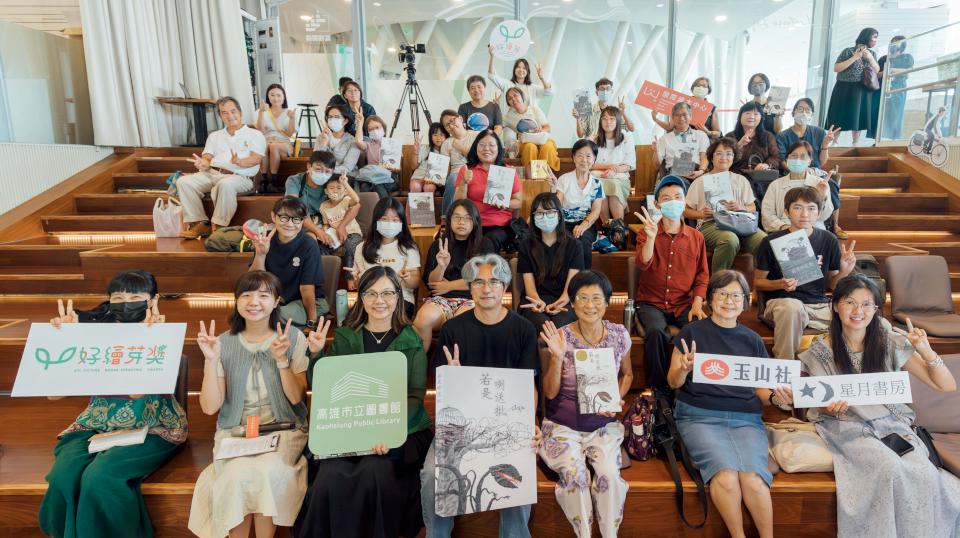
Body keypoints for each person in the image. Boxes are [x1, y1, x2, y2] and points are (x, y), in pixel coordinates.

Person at [790, 274, 960, 537]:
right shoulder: (818, 352)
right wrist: (828, 408)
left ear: (876, 308)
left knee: (924, 473)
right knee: (889, 468)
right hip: (847, 427)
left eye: (867, 304)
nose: (858, 311)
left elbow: (946, 385)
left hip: (893, 426)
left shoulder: (889, 343)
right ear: (836, 306)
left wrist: (926, 350)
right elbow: (811, 404)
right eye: (850, 302)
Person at [38, 270, 187, 538]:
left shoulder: (165, 336)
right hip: (97, 423)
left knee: (100, 478)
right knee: (63, 476)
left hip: (152, 426)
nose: (126, 303)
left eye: (135, 297)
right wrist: (65, 341)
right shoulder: (95, 338)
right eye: (118, 297)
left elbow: (137, 394)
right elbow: (54, 395)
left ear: (153, 300)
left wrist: (148, 337)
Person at [296, 266, 432, 538]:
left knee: (374, 472)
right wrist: (316, 354)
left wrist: (387, 432)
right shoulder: (346, 336)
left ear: (398, 296)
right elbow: (325, 388)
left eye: (387, 293)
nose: (379, 300)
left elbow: (415, 398)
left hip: (398, 435)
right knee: (330, 477)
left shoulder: (411, 340)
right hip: (349, 430)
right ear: (361, 297)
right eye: (371, 293)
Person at [421, 253, 540, 538]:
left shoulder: (524, 329)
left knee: (518, 470)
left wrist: (529, 424)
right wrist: (453, 378)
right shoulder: (452, 329)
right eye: (478, 282)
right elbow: (443, 391)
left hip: (507, 425)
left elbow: (529, 386)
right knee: (431, 475)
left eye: (494, 282)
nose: (487, 289)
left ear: (505, 287)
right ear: (470, 287)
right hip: (460, 425)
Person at [189, 271, 310, 538]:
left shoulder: (293, 338)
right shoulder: (222, 343)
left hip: (284, 430)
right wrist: (211, 360)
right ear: (236, 300)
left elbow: (295, 398)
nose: (254, 302)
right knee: (236, 475)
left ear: (277, 301)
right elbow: (209, 407)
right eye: (246, 295)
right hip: (236, 433)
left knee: (266, 470)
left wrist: (282, 361)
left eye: (264, 295)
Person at [667, 270, 777, 538]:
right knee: (726, 476)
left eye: (736, 295)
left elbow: (762, 390)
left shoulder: (753, 340)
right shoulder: (691, 333)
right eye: (722, 294)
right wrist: (683, 368)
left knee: (753, 478)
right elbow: (673, 382)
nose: (729, 301)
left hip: (745, 419)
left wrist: (776, 397)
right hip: (698, 417)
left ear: (746, 301)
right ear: (709, 298)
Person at [538, 270, 632, 538]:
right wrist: (556, 357)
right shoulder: (561, 337)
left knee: (608, 476)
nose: (590, 305)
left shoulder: (619, 335)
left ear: (607, 302)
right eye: (582, 298)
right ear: (572, 302)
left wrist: (617, 399)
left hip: (602, 426)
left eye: (596, 298)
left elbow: (627, 375)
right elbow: (550, 393)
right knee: (575, 476)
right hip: (563, 426)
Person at [755, 185, 857, 359]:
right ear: (786, 211)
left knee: (861, 314)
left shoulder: (828, 239)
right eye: (797, 208)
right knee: (792, 307)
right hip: (782, 303)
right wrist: (780, 283)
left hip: (818, 305)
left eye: (811, 208)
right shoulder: (771, 241)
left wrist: (844, 271)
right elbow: (758, 282)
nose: (805, 214)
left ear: (818, 213)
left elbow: (832, 284)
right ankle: (785, 366)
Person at [633, 175, 708, 390]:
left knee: (698, 331)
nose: (673, 201)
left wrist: (697, 304)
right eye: (666, 198)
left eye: (677, 197)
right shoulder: (646, 232)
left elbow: (702, 275)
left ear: (684, 202)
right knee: (655, 332)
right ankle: (659, 390)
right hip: (651, 302)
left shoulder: (696, 237)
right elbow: (643, 263)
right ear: (657, 204)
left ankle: (689, 387)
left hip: (683, 303)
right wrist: (651, 238)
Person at [178, 96, 266, 239]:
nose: (230, 116)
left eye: (233, 111)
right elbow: (207, 155)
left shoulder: (255, 134)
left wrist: (240, 162)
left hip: (240, 177)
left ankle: (219, 226)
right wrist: (204, 162)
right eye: (225, 113)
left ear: (240, 112)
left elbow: (257, 159)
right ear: (220, 116)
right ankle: (199, 223)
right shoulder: (214, 136)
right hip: (212, 173)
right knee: (184, 182)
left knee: (225, 184)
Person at [413, 199, 494, 351]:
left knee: (460, 324)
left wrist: (449, 286)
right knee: (421, 320)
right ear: (449, 220)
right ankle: (419, 364)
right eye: (457, 217)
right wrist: (441, 266)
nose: (461, 222)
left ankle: (455, 364)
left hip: (472, 299)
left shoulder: (485, 244)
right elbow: (431, 283)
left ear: (475, 221)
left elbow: (484, 280)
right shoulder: (439, 244)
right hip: (441, 300)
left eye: (467, 218)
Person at [684, 137, 767, 273]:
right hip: (710, 224)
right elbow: (685, 211)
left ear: (734, 157)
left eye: (729, 154)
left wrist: (740, 207)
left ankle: (759, 282)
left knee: (763, 240)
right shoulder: (700, 181)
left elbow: (752, 207)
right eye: (719, 153)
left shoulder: (741, 179)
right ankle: (718, 281)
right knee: (730, 239)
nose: (724, 157)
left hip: (740, 222)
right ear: (711, 157)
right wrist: (701, 214)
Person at [249, 196, 329, 328]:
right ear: (273, 216)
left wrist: (312, 322)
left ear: (303, 221)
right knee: (247, 311)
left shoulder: (308, 244)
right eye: (284, 217)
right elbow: (254, 280)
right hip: (275, 301)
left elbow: (307, 289)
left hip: (306, 302)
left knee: (269, 317)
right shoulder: (265, 240)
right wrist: (260, 254)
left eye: (296, 219)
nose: (290, 224)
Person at [518, 192, 583, 334]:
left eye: (550, 212)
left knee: (559, 328)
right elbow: (529, 287)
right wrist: (538, 302)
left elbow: (571, 287)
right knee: (542, 327)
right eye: (539, 213)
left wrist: (560, 302)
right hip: (534, 300)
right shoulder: (525, 246)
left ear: (559, 215)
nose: (545, 217)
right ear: (533, 217)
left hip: (565, 300)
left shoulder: (574, 246)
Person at [351, 197, 421, 319]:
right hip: (370, 299)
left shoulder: (409, 248)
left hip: (400, 298)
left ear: (402, 223)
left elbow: (415, 284)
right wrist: (357, 279)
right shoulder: (362, 247)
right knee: (350, 323)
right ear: (376, 221)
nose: (390, 223)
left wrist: (408, 278)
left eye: (395, 220)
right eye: (384, 219)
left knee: (385, 320)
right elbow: (358, 285)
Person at [453, 129, 522, 252]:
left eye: (491, 145)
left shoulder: (508, 171)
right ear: (476, 147)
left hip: (500, 225)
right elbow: (458, 202)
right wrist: (464, 182)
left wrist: (505, 203)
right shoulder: (467, 170)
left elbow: (518, 202)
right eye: (482, 145)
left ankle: (487, 265)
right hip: (472, 223)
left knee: (487, 241)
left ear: (498, 148)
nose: (486, 148)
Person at [550, 138, 604, 269]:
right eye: (579, 155)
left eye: (588, 156)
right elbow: (557, 205)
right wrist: (553, 189)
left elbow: (596, 211)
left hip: (587, 224)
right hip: (564, 223)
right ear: (573, 158)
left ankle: (584, 278)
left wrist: (583, 226)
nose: (584, 159)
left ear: (594, 159)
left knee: (583, 242)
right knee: (567, 242)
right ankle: (566, 278)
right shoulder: (564, 179)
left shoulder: (597, 183)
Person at [762, 141, 834, 233]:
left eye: (803, 157)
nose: (798, 160)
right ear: (787, 159)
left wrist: (822, 197)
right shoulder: (775, 185)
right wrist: (786, 228)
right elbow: (767, 215)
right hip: (783, 231)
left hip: (813, 230)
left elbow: (824, 216)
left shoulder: (820, 183)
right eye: (794, 156)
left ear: (810, 161)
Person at [826, 28, 880, 146]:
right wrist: (855, 57)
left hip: (862, 88)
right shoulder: (848, 51)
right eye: (874, 37)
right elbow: (836, 68)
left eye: (876, 37)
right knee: (838, 115)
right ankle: (834, 142)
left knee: (858, 116)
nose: (875, 40)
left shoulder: (872, 54)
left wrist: (870, 58)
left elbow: (876, 70)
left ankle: (855, 143)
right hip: (843, 87)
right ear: (866, 37)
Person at [592, 106, 636, 225]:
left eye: (612, 119)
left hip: (620, 177)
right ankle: (606, 225)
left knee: (613, 184)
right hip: (599, 176)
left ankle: (618, 227)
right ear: (600, 121)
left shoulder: (626, 138)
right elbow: (590, 164)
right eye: (604, 119)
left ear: (618, 121)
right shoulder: (594, 139)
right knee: (599, 185)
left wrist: (615, 170)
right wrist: (609, 166)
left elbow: (629, 165)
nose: (608, 122)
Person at [503, 87, 560, 172]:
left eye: (515, 95)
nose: (513, 99)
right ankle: (532, 175)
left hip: (541, 139)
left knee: (547, 147)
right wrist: (495, 108)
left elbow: (547, 127)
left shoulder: (534, 109)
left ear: (522, 96)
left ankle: (545, 175)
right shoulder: (508, 117)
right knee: (530, 147)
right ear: (509, 103)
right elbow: (498, 125)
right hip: (525, 142)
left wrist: (541, 130)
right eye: (510, 98)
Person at [316, 174, 363, 270]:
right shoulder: (323, 206)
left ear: (345, 191)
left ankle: (350, 275)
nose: (335, 191)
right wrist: (325, 233)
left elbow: (356, 200)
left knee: (349, 248)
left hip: (352, 233)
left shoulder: (346, 200)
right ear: (326, 191)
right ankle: (326, 272)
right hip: (335, 236)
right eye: (331, 188)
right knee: (320, 247)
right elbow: (326, 223)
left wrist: (345, 183)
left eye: (339, 188)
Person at [256, 83, 297, 193]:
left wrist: (292, 118)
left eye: (279, 95)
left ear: (283, 97)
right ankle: (264, 181)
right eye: (272, 95)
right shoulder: (262, 111)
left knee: (273, 146)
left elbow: (290, 134)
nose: (275, 98)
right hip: (266, 142)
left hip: (284, 144)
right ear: (268, 97)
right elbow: (261, 131)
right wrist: (261, 112)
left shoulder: (289, 112)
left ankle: (273, 182)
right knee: (264, 146)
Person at [650, 77, 722, 139]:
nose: (700, 88)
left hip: (704, 143)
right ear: (693, 88)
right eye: (698, 85)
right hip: (682, 142)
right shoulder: (682, 105)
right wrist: (655, 119)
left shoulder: (711, 109)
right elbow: (669, 126)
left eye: (704, 86)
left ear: (708, 90)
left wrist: (708, 132)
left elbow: (718, 133)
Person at [653, 101, 709, 181]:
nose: (681, 118)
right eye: (677, 115)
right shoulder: (664, 138)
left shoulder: (701, 135)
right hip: (675, 174)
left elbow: (704, 156)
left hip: (697, 172)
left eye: (684, 114)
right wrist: (655, 151)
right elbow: (656, 165)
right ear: (672, 118)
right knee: (678, 185)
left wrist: (701, 171)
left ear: (690, 116)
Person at [438, 110, 480, 214]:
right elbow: (444, 169)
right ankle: (446, 217)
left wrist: (460, 147)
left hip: (475, 170)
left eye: (452, 120)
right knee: (452, 179)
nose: (451, 125)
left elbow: (479, 158)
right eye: (447, 125)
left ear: (460, 119)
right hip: (456, 173)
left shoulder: (477, 135)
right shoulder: (446, 143)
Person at [726, 101, 781, 176]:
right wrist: (739, 145)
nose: (751, 116)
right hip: (736, 176)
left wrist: (766, 165)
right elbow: (724, 158)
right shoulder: (730, 136)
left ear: (761, 118)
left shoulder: (768, 136)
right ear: (740, 116)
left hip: (761, 176)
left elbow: (776, 157)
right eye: (747, 113)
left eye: (756, 114)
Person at [352, 114, 400, 199]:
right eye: (370, 129)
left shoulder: (392, 144)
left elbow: (398, 169)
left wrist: (394, 168)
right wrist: (360, 123)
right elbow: (358, 141)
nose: (374, 131)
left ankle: (384, 206)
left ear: (383, 128)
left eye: (377, 127)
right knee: (364, 186)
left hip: (390, 177)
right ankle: (377, 206)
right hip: (372, 176)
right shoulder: (368, 145)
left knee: (377, 185)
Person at [487, 46, 552, 106]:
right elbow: (492, 76)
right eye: (518, 67)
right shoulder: (507, 84)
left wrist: (542, 78)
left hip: (530, 115)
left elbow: (548, 91)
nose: (521, 70)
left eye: (524, 68)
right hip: (512, 115)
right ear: (514, 70)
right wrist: (492, 57)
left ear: (527, 72)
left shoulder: (532, 87)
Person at [879, 35, 914, 140]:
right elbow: (877, 74)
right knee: (881, 114)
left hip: (899, 88)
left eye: (897, 42)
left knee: (895, 114)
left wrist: (892, 70)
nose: (895, 44)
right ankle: (880, 139)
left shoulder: (907, 57)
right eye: (893, 42)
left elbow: (909, 70)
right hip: (883, 88)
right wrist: (885, 72)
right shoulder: (884, 58)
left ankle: (893, 139)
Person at [315, 105, 361, 176]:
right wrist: (324, 143)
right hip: (322, 175)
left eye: (336, 117)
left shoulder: (353, 141)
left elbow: (347, 168)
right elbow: (315, 162)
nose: (332, 120)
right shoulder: (321, 137)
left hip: (344, 176)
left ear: (345, 121)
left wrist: (326, 170)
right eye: (330, 117)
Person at [409, 122, 449, 194]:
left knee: (429, 188)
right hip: (418, 178)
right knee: (415, 187)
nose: (438, 138)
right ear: (430, 136)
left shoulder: (447, 153)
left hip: (433, 181)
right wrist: (416, 151)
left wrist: (435, 181)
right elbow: (413, 167)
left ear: (446, 136)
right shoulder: (424, 148)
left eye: (441, 135)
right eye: (435, 135)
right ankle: (412, 202)